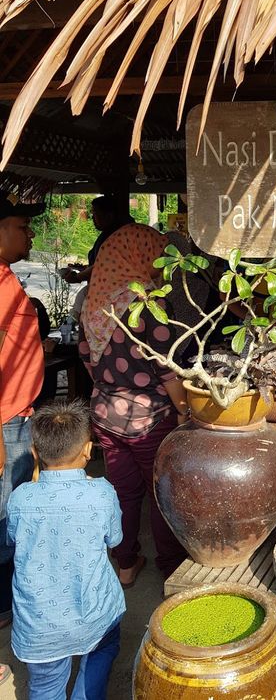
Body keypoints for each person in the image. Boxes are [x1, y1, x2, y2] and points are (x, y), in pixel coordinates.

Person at [80, 223, 188, 583]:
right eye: (157, 253)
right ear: (139, 256)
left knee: (124, 492)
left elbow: (87, 359)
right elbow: (166, 369)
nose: (161, 261)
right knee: (160, 494)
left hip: (105, 415)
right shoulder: (146, 303)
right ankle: (170, 568)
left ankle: (125, 565)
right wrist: (185, 411)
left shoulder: (93, 301)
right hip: (149, 418)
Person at [7, 401, 125, 699]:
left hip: (39, 627)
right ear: (88, 450)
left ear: (35, 452)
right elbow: (115, 539)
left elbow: (12, 540)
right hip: (95, 617)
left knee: (45, 687)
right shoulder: (102, 492)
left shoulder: (20, 499)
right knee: (101, 654)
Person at [0, 191, 46, 682]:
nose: (28, 234)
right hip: (5, 418)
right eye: (20, 225)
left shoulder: (8, 278)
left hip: (18, 412)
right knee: (7, 510)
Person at [62, 195, 131, 285]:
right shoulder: (110, 234)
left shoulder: (114, 238)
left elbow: (101, 267)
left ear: (109, 216)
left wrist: (77, 277)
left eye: (95, 214)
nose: (92, 218)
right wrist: (84, 268)